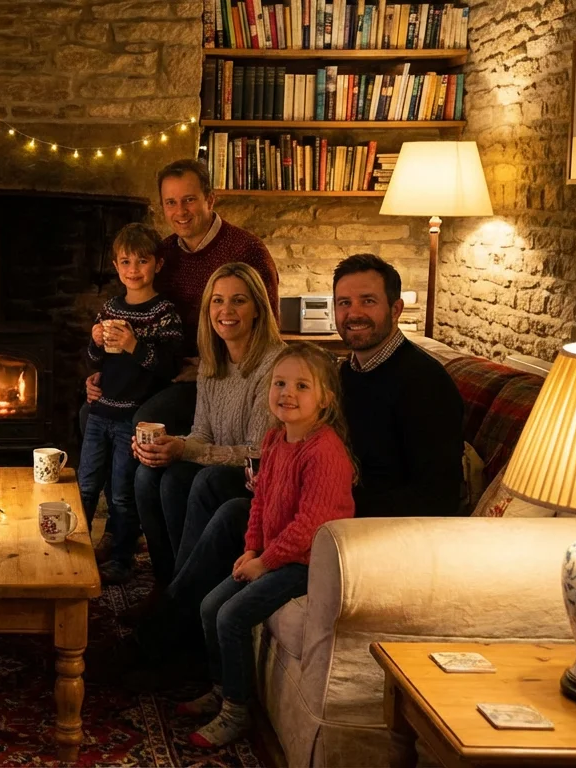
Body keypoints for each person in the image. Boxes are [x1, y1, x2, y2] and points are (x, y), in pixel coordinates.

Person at [179, 342, 356, 748]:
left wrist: (266, 562)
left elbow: (310, 527)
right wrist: (251, 548)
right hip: (275, 554)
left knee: (232, 616)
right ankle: (222, 687)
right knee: (210, 606)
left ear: (325, 399)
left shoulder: (324, 451)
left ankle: (236, 711)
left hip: (308, 563)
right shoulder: (275, 440)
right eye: (279, 383)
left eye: (301, 386)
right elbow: (259, 501)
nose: (287, 393)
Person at [87, 159, 280, 437]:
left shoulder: (247, 250)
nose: (180, 212)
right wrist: (112, 374)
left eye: (189, 200)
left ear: (210, 199)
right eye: (171, 202)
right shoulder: (163, 253)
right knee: (91, 412)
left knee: (144, 420)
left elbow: (269, 331)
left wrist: (207, 367)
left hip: (220, 375)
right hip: (162, 368)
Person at [131, 262, 285, 598]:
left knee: (196, 479)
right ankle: (167, 582)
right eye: (217, 301)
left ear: (258, 309)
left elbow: (258, 453)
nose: (226, 311)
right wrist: (168, 446)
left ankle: (179, 597)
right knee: (148, 474)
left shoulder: (274, 365)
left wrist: (184, 449)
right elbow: (202, 433)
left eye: (238, 301)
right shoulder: (213, 361)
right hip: (220, 465)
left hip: (260, 477)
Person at [79, 223, 185, 585]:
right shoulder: (111, 307)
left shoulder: (164, 312)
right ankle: (76, 552)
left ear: (158, 264)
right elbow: (97, 361)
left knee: (122, 493)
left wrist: (134, 345)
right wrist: (95, 342)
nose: (133, 269)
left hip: (132, 418)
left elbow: (169, 367)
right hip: (101, 412)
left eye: (142, 261)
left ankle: (122, 558)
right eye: (126, 261)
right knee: (86, 484)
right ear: (115, 265)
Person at [331, 253, 463, 517]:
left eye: (368, 301)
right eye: (344, 302)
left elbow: (438, 496)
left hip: (372, 527)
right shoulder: (344, 374)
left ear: (395, 309)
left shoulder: (426, 384)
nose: (353, 313)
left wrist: (336, 508)